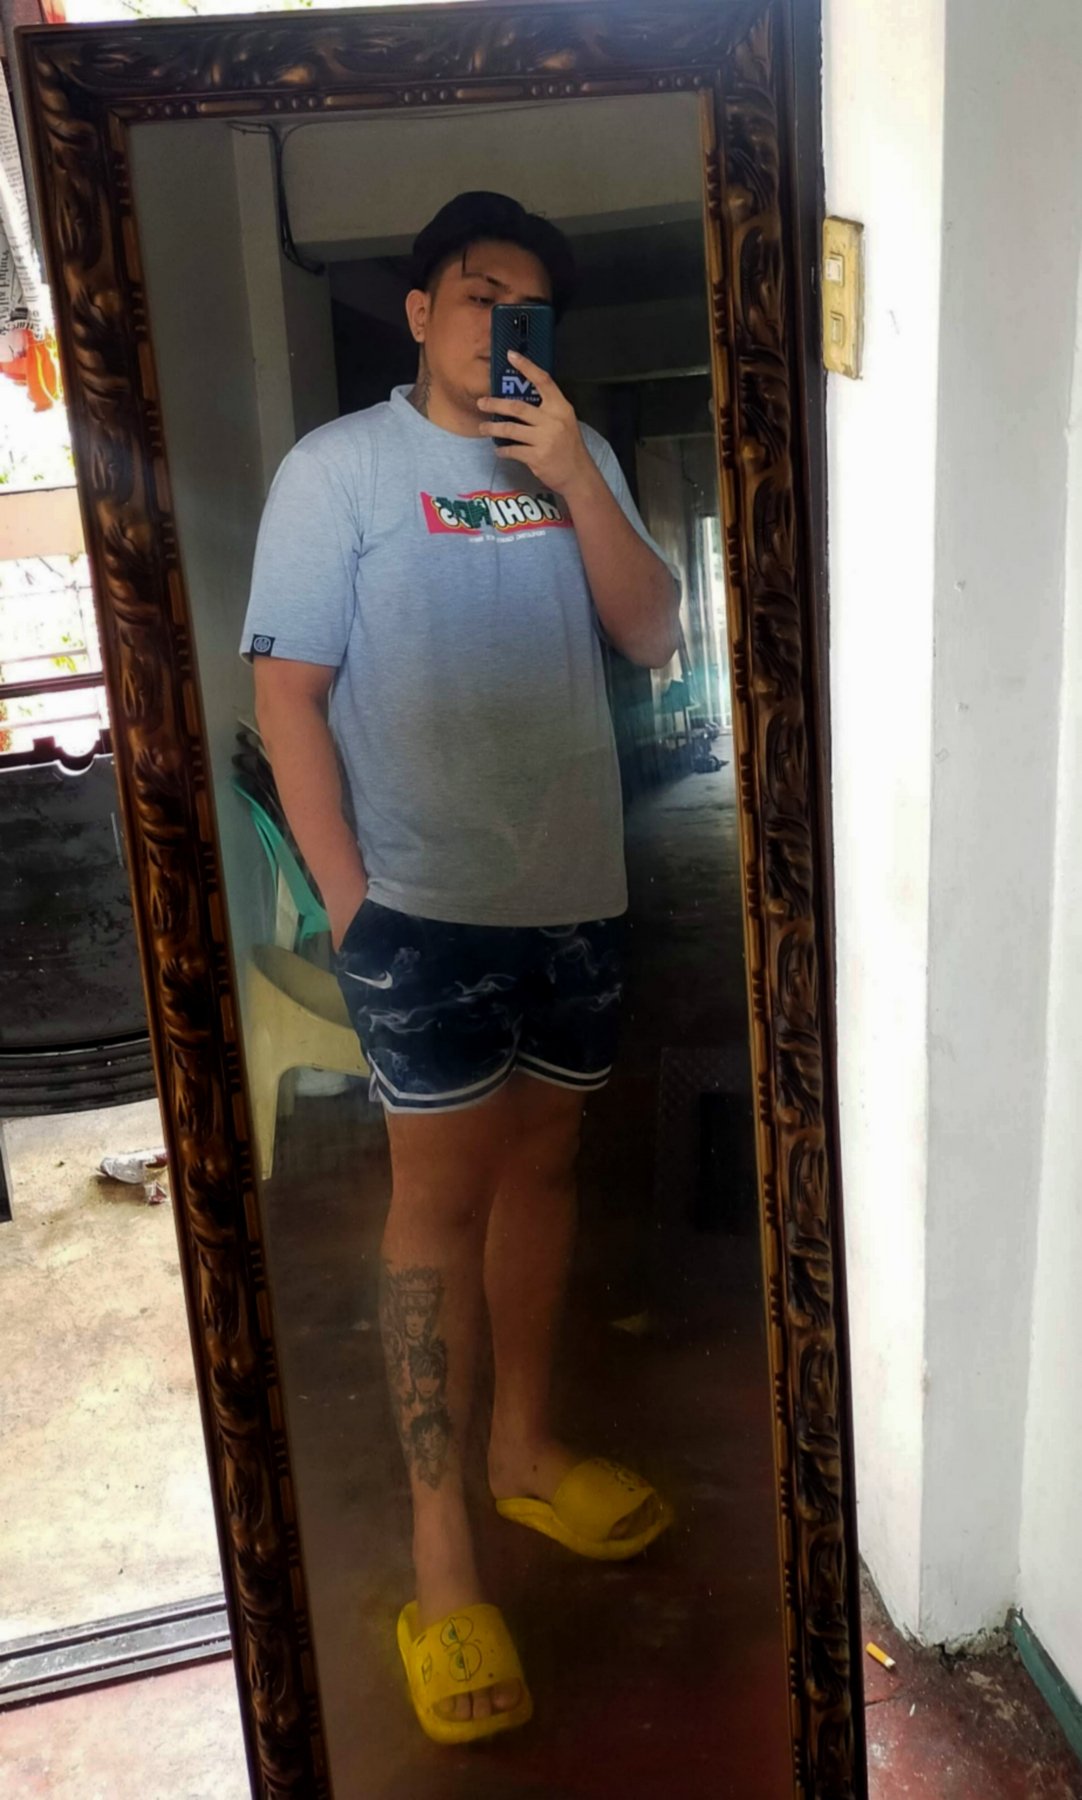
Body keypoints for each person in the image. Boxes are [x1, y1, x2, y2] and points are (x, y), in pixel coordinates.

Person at [240, 191, 680, 1745]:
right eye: (479, 292)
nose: (502, 320)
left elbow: (652, 636)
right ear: (421, 311)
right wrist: (350, 906)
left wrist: (572, 475)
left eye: (527, 301)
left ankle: (523, 1454)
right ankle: (442, 1563)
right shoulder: (338, 470)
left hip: (573, 896)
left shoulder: (573, 454)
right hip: (418, 911)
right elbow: (287, 696)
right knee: (433, 1202)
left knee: (543, 1167)